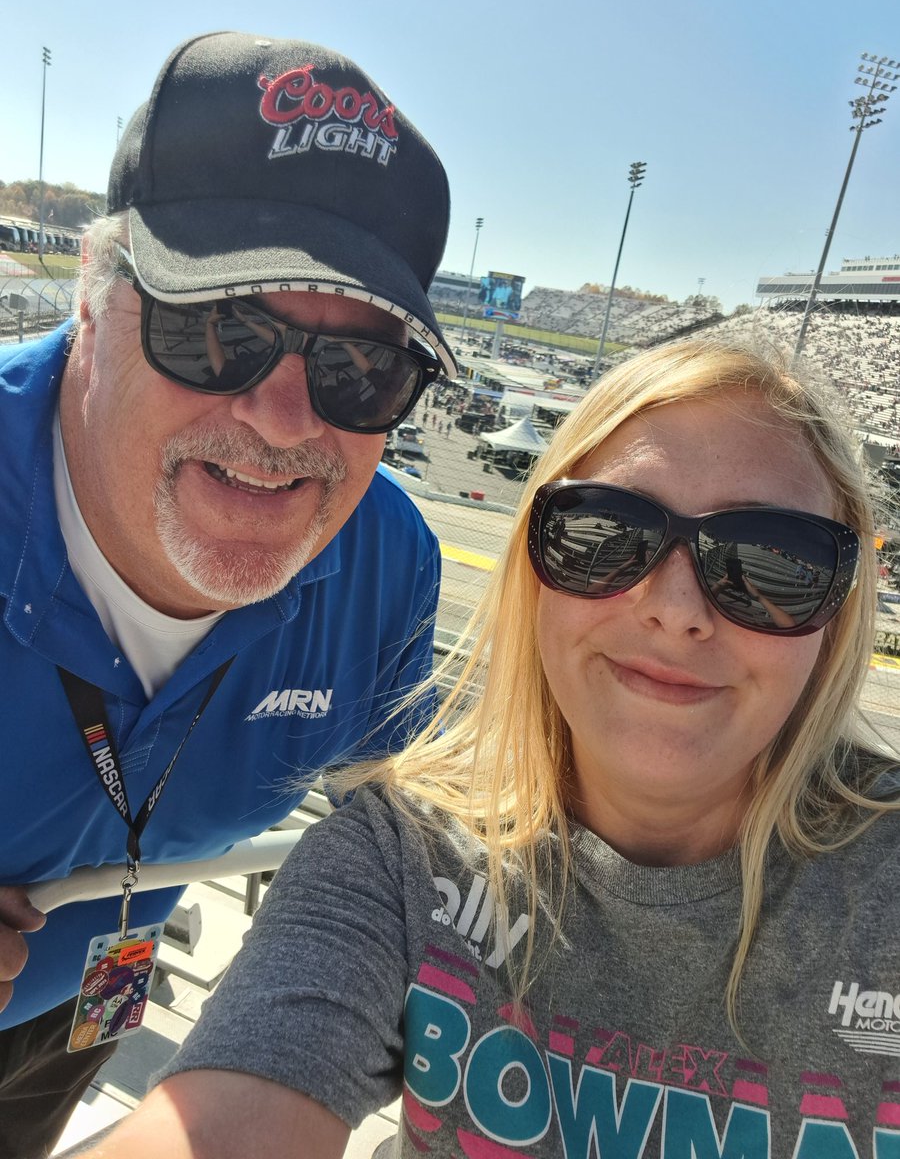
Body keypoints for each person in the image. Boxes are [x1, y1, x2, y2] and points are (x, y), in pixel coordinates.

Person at [79, 339, 898, 1159]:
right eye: (605, 532)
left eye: (772, 562)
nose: (676, 609)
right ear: (533, 567)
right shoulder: (405, 856)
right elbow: (228, 1112)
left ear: (843, 607)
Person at [0, 30, 457, 1157]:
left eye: (363, 370)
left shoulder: (388, 571)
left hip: (85, 1013)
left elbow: (434, 847)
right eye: (220, 329)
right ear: (93, 309)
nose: (288, 420)